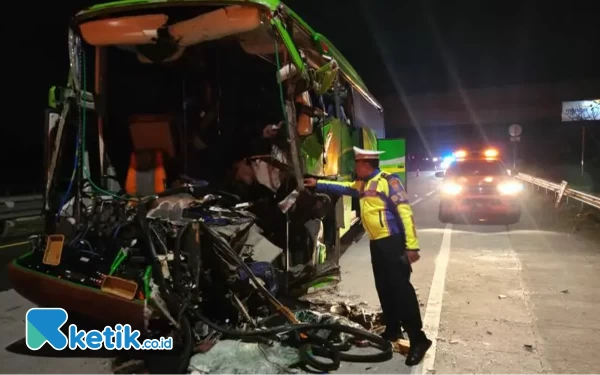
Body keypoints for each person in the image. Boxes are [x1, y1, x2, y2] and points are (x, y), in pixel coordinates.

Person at [303, 146, 432, 366]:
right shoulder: (363, 184)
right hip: (376, 243)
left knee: (401, 291)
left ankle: (419, 339)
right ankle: (392, 330)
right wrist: (318, 184)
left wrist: (412, 246)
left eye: (357, 164)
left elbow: (405, 212)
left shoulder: (389, 182)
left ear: (366, 165)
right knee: (384, 287)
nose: (354, 167)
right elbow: (343, 187)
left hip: (392, 242)